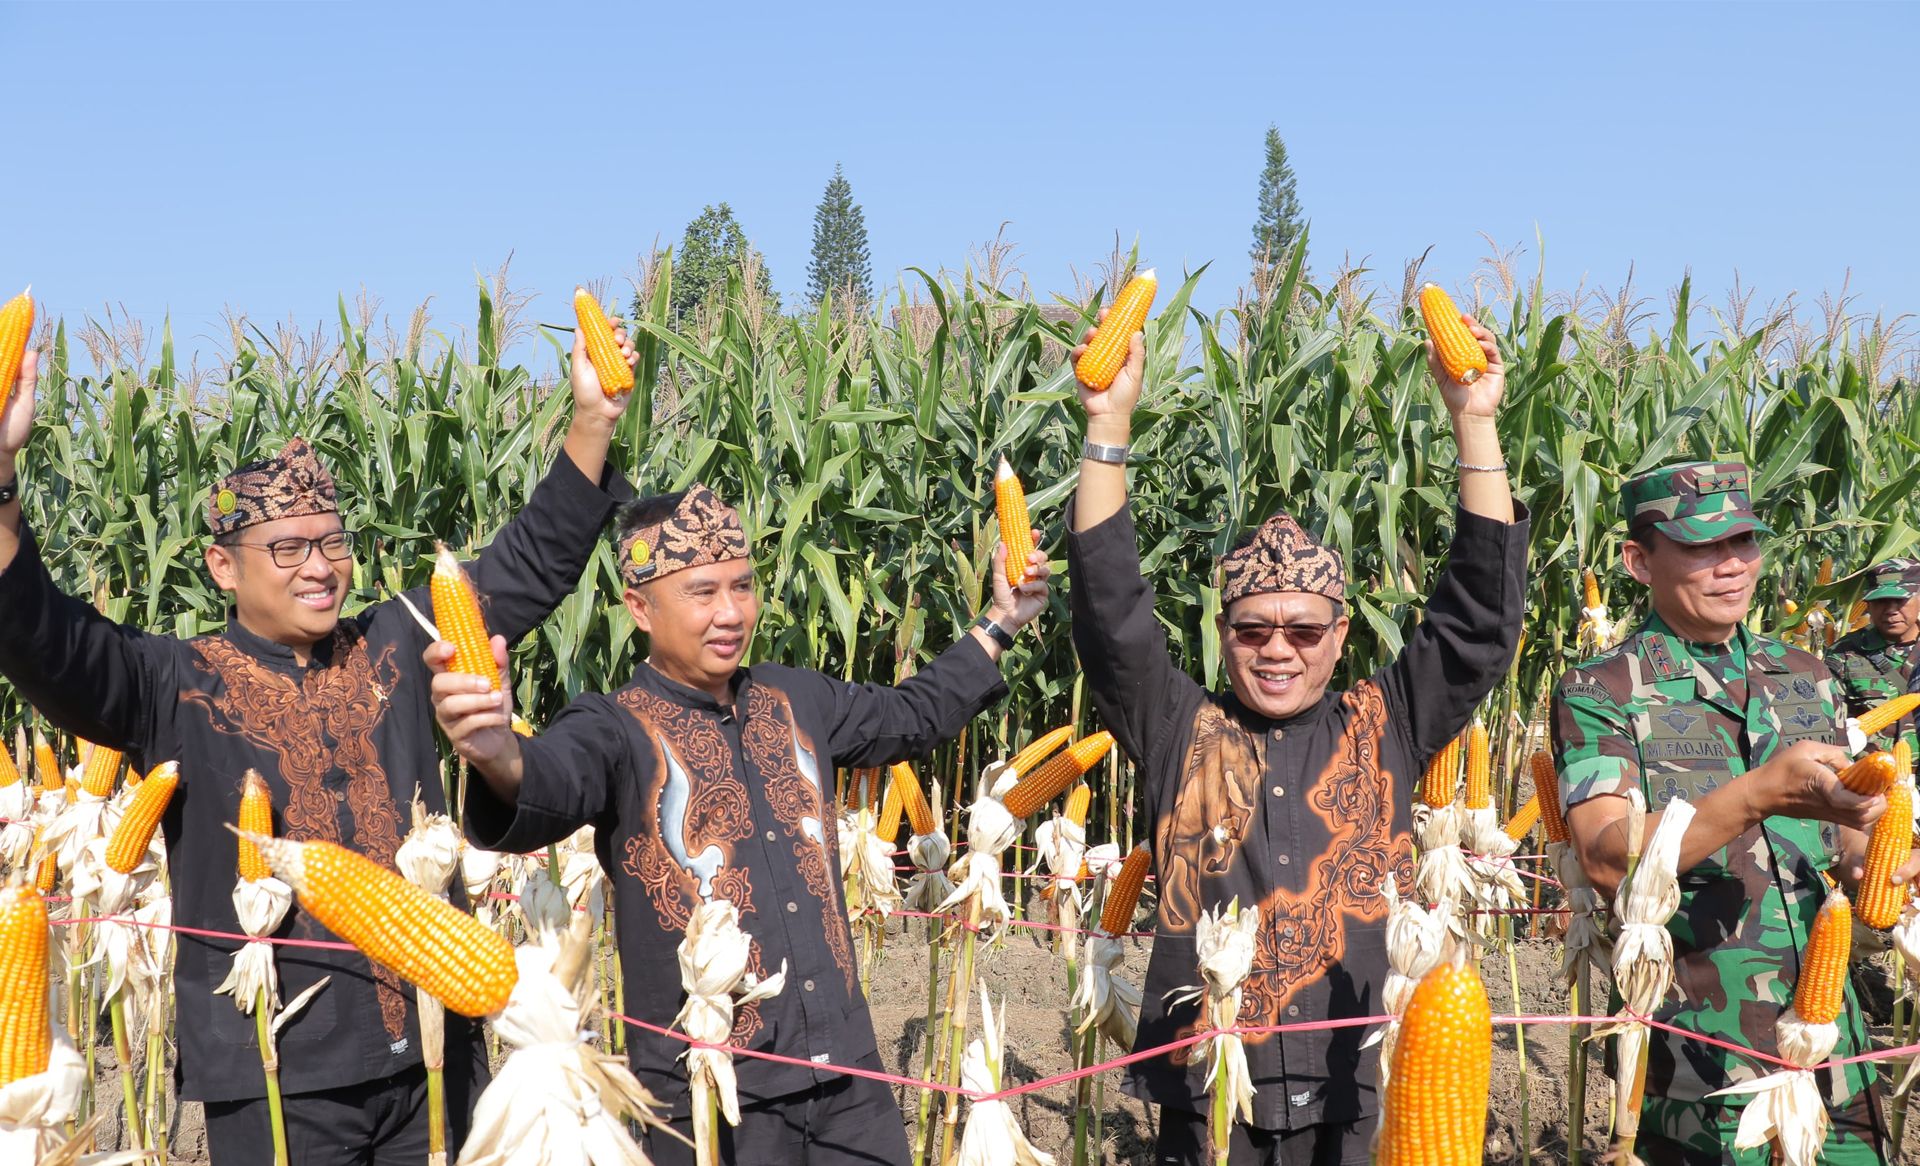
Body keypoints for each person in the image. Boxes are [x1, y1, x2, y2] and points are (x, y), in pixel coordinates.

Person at [0, 324, 638, 1164]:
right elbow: (43, 636)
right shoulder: (171, 681)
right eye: (288, 547)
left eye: (333, 542)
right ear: (222, 567)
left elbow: (530, 564)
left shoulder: (400, 642)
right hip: (272, 1074)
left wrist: (592, 419)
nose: (320, 567)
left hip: (435, 1052)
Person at [426, 482, 1051, 1165]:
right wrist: (496, 752)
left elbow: (914, 714)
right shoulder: (613, 728)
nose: (730, 612)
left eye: (743, 586)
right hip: (708, 1099)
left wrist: (1002, 621)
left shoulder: (797, 698)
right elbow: (547, 781)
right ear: (640, 606)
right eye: (702, 592)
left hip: (848, 1080)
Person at [1063, 308, 1529, 1163]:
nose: (1278, 649)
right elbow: (1108, 614)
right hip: (1211, 1091)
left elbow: (1477, 623)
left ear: (1340, 635)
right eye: (1252, 630)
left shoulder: (1384, 722)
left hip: (1360, 1086)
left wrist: (1475, 420)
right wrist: (1107, 426)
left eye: (1304, 631)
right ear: (1223, 630)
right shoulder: (1177, 728)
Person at [1552, 462, 1917, 1163]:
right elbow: (1605, 857)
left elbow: (1844, 836)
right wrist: (1754, 794)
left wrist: (1878, 854)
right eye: (1700, 546)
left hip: (1829, 1042)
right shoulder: (1603, 689)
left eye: (1743, 542)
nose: (1731, 566)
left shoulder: (1804, 673)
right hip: (1699, 1062)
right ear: (1638, 560)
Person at [1828, 556, 1920, 751]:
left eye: (1900, 600)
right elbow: (1828, 723)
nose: (1890, 610)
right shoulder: (1843, 655)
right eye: (1881, 601)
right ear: (1867, 605)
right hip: (1867, 774)